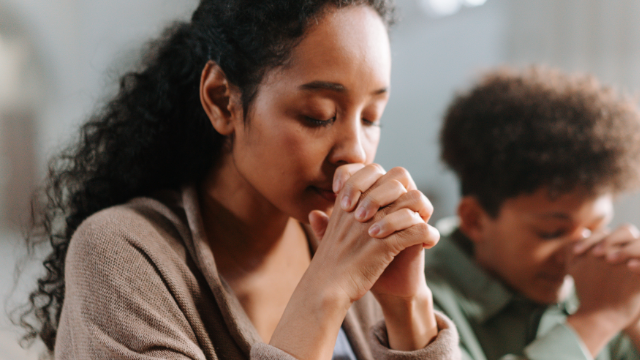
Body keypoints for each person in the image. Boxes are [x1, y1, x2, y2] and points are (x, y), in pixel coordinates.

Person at [18, 0, 461, 359]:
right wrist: (324, 293)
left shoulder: (341, 243)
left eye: (371, 117)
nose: (356, 153)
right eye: (318, 116)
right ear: (222, 100)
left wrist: (407, 307)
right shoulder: (122, 255)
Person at [430, 67, 640, 360]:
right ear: (475, 219)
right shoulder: (415, 294)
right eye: (552, 233)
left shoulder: (601, 286)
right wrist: (598, 320)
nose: (577, 253)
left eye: (596, 227)